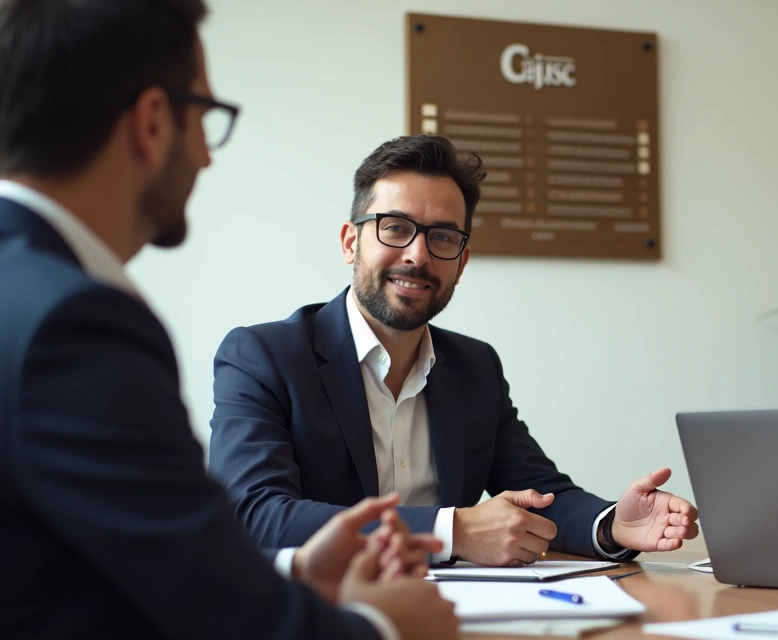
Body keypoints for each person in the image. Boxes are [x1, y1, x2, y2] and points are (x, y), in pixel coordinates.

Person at [0, 1, 457, 638]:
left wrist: (295, 570)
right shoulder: (73, 323)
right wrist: (379, 626)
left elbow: (122, 562)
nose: (207, 160)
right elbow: (206, 604)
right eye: (205, 117)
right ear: (153, 121)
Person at [209, 134, 699, 566]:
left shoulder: (475, 367)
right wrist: (453, 531)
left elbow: (542, 494)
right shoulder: (263, 356)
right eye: (395, 227)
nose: (418, 255)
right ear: (349, 242)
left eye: (442, 236)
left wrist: (613, 525)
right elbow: (252, 514)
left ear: (461, 262)